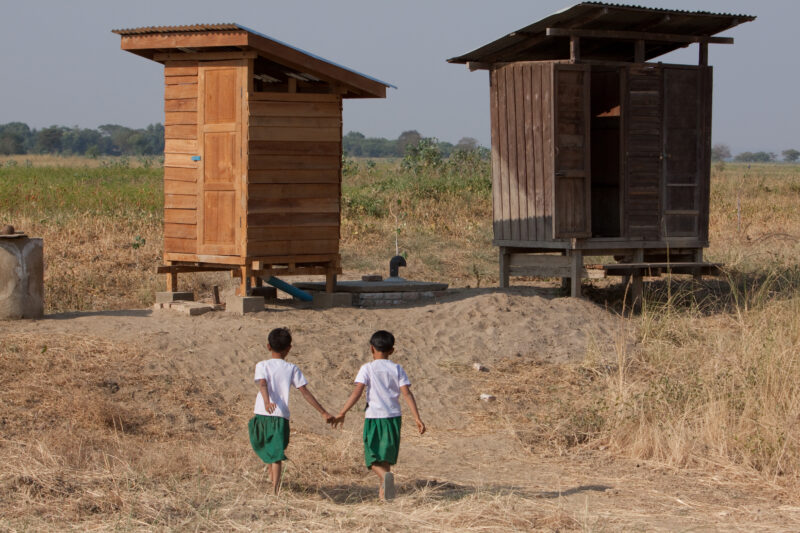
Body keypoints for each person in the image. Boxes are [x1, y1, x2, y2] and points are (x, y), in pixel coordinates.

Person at [333, 330, 425, 501]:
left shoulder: (367, 368)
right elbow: (407, 394)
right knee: (386, 458)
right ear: (392, 350)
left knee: (372, 458)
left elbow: (357, 393)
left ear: (371, 349)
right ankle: (384, 497)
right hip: (393, 418)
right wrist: (417, 418)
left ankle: (385, 480)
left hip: (374, 418)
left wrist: (342, 412)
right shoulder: (397, 368)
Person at [248, 327, 334, 495]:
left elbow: (263, 384)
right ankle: (274, 487)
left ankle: (274, 488)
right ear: (289, 348)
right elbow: (305, 392)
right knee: (276, 453)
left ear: (268, 346)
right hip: (279, 416)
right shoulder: (292, 368)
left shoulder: (262, 365)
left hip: (262, 413)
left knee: (271, 451)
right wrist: (323, 412)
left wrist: (266, 402)